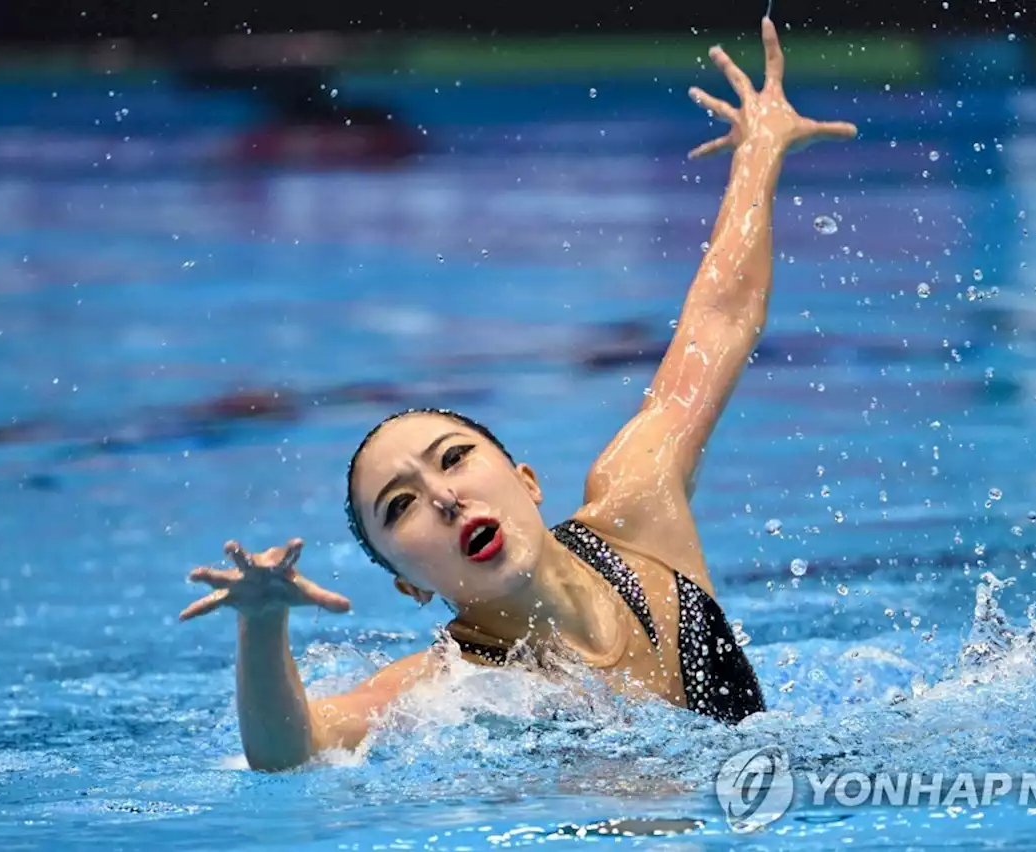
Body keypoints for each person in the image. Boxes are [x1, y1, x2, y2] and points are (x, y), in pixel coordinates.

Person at [179, 18, 856, 772]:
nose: (441, 497)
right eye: (399, 506)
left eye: (454, 458)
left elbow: (719, 321)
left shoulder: (638, 513)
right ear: (410, 586)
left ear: (527, 480)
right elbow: (292, 748)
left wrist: (760, 153)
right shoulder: (450, 688)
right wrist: (263, 627)